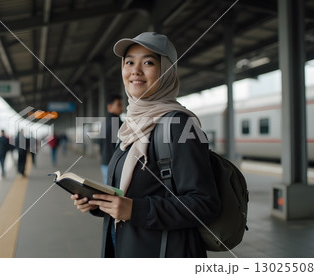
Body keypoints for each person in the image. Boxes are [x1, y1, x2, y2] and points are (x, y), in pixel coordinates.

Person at [71, 32, 221, 257]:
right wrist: (99, 204)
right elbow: (132, 192)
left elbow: (205, 204)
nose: (135, 71)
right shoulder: (131, 126)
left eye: (148, 62)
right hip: (126, 246)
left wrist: (135, 210)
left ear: (167, 70)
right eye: (129, 62)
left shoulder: (179, 124)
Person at [98, 95, 123, 184]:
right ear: (109, 107)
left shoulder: (104, 122)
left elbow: (100, 142)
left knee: (107, 188)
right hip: (114, 162)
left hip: (105, 161)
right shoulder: (117, 122)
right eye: (118, 105)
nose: (121, 107)